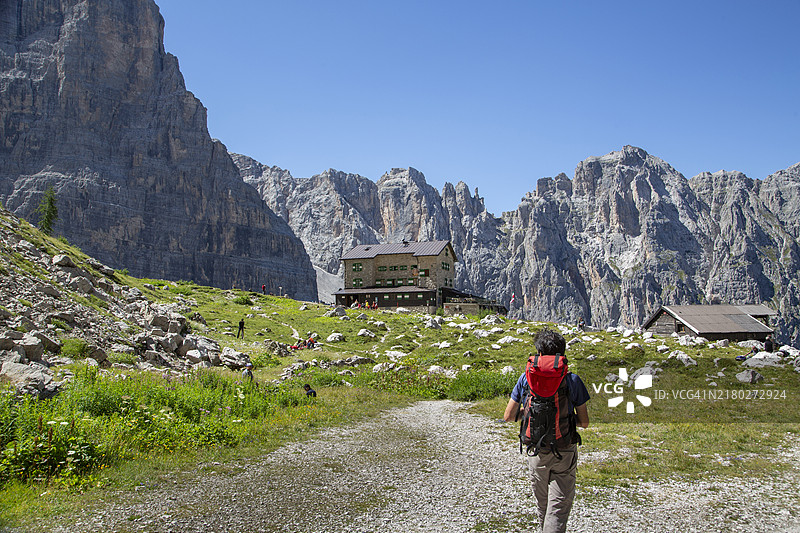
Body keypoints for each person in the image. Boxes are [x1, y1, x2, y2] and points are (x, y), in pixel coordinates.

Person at [503, 329, 590, 533]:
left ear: (539, 354)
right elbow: (584, 422)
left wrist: (530, 413)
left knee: (544, 508)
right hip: (564, 450)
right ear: (561, 355)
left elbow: (508, 416)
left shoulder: (526, 379)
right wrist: (566, 418)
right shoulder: (573, 380)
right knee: (557, 511)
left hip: (536, 451)